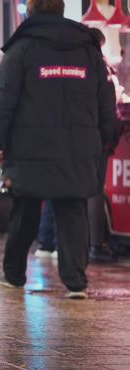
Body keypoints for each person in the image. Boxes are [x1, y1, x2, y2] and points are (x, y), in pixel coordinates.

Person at [0, 0, 119, 299]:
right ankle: (75, 283)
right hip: (79, 147)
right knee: (72, 210)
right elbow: (106, 98)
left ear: (30, 11)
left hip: (29, 147)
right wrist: (106, 138)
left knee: (26, 209)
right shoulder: (88, 51)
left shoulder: (21, 50)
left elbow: (3, 101)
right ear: (61, 11)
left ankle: (14, 274)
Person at [87, 27, 123, 263]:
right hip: (96, 140)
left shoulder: (73, 64)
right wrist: (110, 139)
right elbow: (109, 109)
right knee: (93, 191)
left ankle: (75, 245)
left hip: (74, 140)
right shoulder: (101, 68)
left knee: (73, 193)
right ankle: (95, 245)